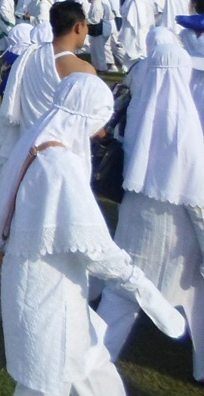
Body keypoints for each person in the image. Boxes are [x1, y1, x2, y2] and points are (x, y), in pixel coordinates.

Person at [0, 73, 185, 395]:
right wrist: (146, 291)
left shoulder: (36, 143)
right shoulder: (60, 164)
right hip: (51, 300)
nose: (97, 135)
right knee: (45, 382)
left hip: (46, 289)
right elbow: (96, 250)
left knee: (91, 367)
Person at [98, 29, 204, 381]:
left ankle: (94, 361)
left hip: (135, 225)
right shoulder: (188, 129)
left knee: (121, 295)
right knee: (195, 303)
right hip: (179, 241)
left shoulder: (139, 117)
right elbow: (197, 200)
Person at [0, 0, 96, 175]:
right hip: (63, 153)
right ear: (78, 27)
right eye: (86, 26)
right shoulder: (83, 69)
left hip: (27, 147)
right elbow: (93, 121)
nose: (87, 31)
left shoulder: (29, 56)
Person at [118, 0, 154, 71]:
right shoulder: (144, 0)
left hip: (136, 32)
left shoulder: (136, 1)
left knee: (137, 52)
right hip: (143, 31)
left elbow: (132, 19)